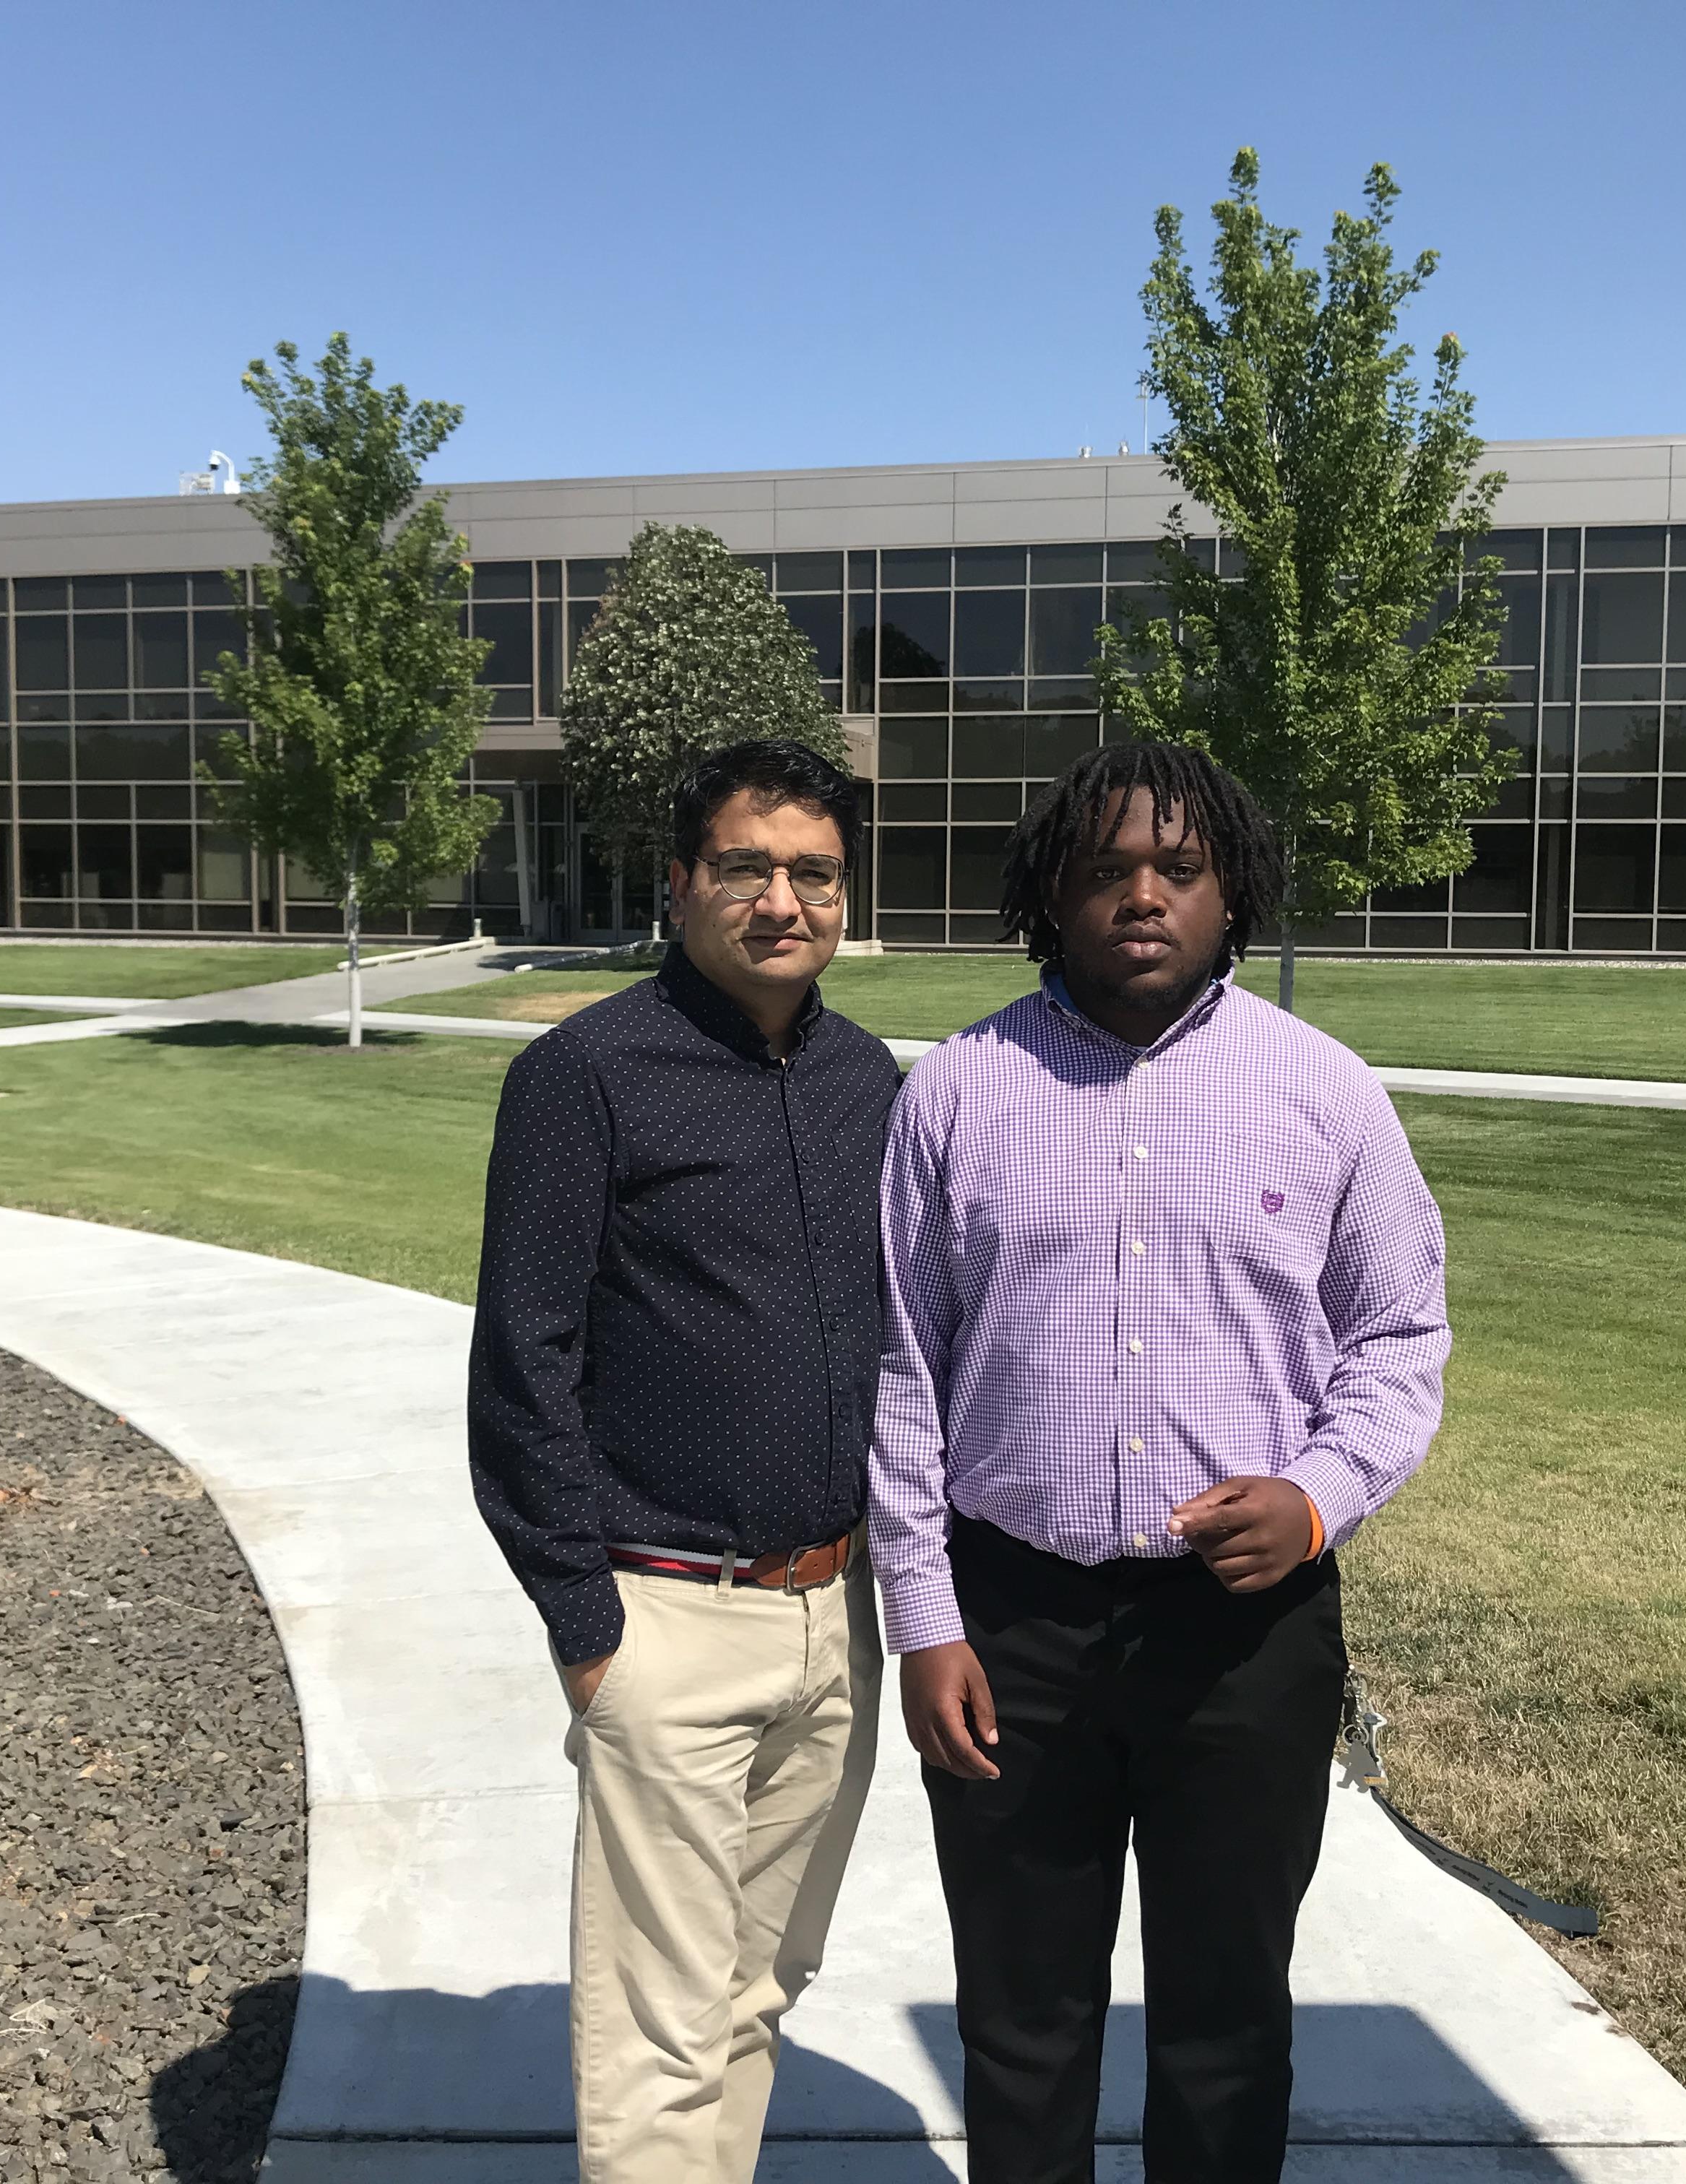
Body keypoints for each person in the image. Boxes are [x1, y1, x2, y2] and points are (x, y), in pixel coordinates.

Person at [870, 740, 1452, 2184]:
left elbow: (1399, 1335)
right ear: (1050, 898)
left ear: (1231, 892)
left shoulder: (1323, 1093)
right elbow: (897, 1374)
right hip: (1013, 1630)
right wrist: (923, 1620)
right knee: (1021, 2022)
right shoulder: (955, 1095)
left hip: (1242, 1639)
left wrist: (1319, 1499)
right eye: (1108, 869)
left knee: (1227, 2023)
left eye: (1180, 870)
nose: (1144, 894)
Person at [470, 737, 896, 2184]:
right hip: (663, 1616)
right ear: (678, 884)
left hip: (840, 1624)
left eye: (814, 872)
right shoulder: (583, 1077)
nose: (782, 900)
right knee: (658, 2034)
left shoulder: (864, 1079)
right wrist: (591, 1631)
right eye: (746, 868)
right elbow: (523, 1365)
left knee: (759, 1992)